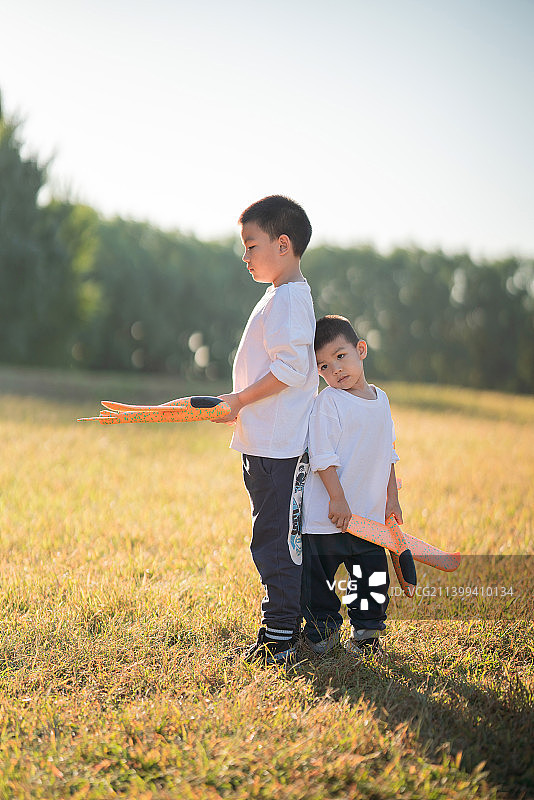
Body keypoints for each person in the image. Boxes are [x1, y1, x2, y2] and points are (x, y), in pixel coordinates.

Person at [217, 195, 318, 666]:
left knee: (276, 540)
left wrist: (238, 400)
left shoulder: (290, 298)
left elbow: (292, 370)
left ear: (283, 244)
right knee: (272, 535)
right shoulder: (281, 294)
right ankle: (284, 625)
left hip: (279, 448)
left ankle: (279, 636)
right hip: (265, 442)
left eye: (251, 244)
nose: (245, 255)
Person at [301, 314, 402, 658]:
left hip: (368, 519)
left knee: (372, 580)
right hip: (328, 518)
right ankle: (321, 633)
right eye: (324, 366)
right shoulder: (328, 402)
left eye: (340, 356)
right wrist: (338, 499)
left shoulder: (382, 400)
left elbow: (387, 453)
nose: (335, 370)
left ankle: (366, 635)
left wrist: (392, 500)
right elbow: (323, 456)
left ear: (361, 349)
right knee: (319, 584)